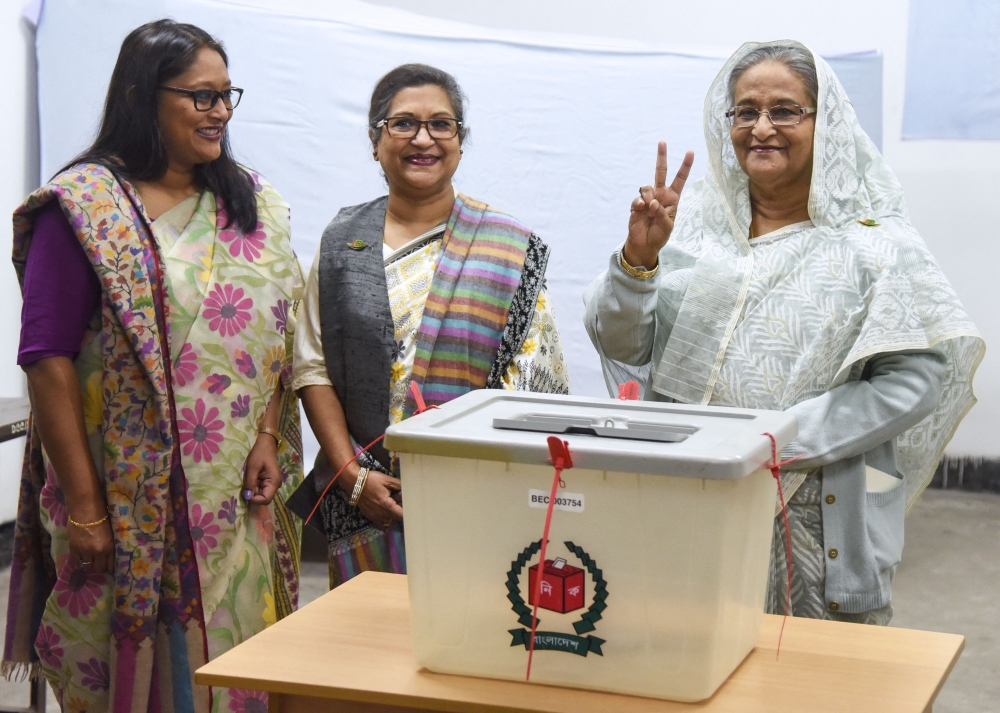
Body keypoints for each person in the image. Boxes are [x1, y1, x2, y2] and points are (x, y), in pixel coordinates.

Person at [584, 41, 983, 624]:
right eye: (745, 111)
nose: (761, 128)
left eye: (785, 111)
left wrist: (773, 442)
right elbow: (625, 347)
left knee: (809, 682)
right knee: (680, 655)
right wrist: (639, 262)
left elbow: (914, 382)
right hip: (688, 497)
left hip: (813, 519)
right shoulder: (690, 228)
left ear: (826, 124)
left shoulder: (874, 243)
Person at [3, 20, 304, 712]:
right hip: (122, 497)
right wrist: (85, 509)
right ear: (143, 95)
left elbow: (272, 329)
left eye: (228, 95)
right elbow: (46, 360)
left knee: (237, 668)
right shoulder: (83, 209)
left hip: (231, 501)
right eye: (201, 97)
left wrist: (265, 432)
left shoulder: (250, 206)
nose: (221, 111)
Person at [293, 63, 569, 589]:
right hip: (364, 497)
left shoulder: (508, 248)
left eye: (442, 124)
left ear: (461, 142)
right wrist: (352, 476)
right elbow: (312, 366)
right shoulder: (341, 241)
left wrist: (458, 478)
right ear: (376, 141)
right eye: (403, 124)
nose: (424, 139)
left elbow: (534, 384)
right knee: (363, 647)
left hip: (474, 499)